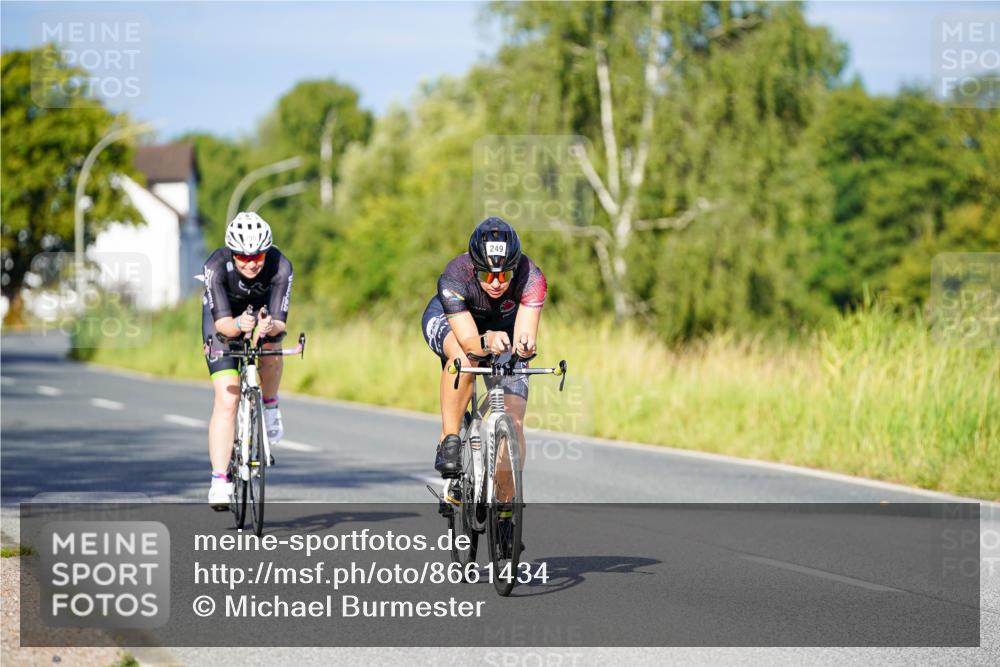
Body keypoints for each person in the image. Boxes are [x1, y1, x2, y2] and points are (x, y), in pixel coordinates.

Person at [421, 216, 547, 499]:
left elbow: (525, 335)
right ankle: (450, 439)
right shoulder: (455, 275)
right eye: (487, 275)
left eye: (503, 276)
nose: (495, 283)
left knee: (514, 418)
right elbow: (468, 343)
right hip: (455, 324)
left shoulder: (532, 278)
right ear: (474, 268)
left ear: (514, 269)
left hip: (501, 329)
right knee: (466, 360)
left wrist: (524, 347)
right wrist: (486, 340)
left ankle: (505, 501)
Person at [201, 212, 293, 509]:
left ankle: (269, 405)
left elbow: (280, 322)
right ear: (232, 252)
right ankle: (219, 480)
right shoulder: (215, 266)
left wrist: (267, 328)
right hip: (224, 321)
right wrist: (241, 325)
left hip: (261, 315)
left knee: (272, 345)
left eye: (258, 256)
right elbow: (224, 326)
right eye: (243, 256)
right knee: (227, 400)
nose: (251, 263)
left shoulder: (281, 267)